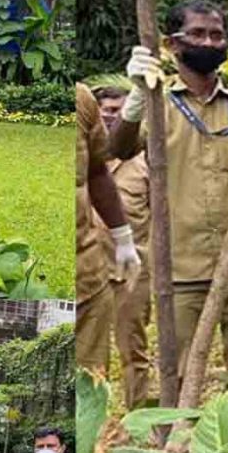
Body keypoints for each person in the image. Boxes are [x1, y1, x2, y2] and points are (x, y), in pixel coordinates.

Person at [110, 0, 228, 397]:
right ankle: (174, 445)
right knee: (176, 371)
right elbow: (119, 148)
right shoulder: (158, 104)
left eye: (217, 35)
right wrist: (136, 102)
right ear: (173, 45)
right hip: (180, 266)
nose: (209, 41)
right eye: (198, 34)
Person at [95, 85, 153, 408]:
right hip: (90, 274)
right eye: (104, 109)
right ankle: (94, 424)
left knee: (134, 352)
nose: (108, 114)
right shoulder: (85, 161)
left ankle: (137, 419)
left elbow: (160, 220)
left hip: (132, 274)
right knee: (91, 357)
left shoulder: (146, 163)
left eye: (117, 109)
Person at [76, 81, 140, 373]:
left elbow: (97, 171)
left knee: (91, 383)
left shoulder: (82, 100)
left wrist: (123, 238)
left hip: (88, 273)